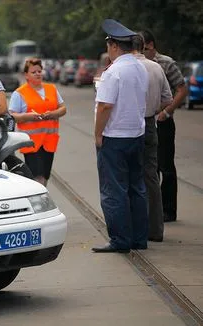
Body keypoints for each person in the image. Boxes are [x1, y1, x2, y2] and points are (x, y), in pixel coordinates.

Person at [92, 19, 149, 253]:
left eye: (108, 45)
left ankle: (120, 240)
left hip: (114, 137)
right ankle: (138, 238)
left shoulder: (114, 71)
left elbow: (105, 106)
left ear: (114, 45)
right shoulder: (140, 67)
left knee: (113, 190)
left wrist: (97, 134)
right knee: (137, 187)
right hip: (136, 134)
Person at [141, 30, 188, 223]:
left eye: (143, 48)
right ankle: (153, 211)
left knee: (166, 166)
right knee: (150, 169)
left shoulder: (166, 63)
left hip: (163, 120)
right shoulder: (137, 64)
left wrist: (166, 112)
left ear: (150, 46)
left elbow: (182, 89)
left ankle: (169, 210)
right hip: (145, 121)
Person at [132, 34, 173, 242]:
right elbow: (168, 99)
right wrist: (154, 109)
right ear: (144, 47)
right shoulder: (156, 67)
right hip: (150, 124)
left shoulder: (124, 68)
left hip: (129, 125)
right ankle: (155, 230)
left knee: (130, 177)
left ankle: (135, 228)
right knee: (151, 176)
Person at [8, 58, 67, 186]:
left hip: (49, 141)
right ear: (26, 75)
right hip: (31, 143)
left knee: (44, 177)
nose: (38, 74)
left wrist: (54, 114)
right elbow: (11, 116)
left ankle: (40, 201)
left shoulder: (51, 89)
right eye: (34, 72)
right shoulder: (19, 93)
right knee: (37, 178)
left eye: (40, 71)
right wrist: (28, 116)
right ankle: (40, 202)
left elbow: (63, 109)